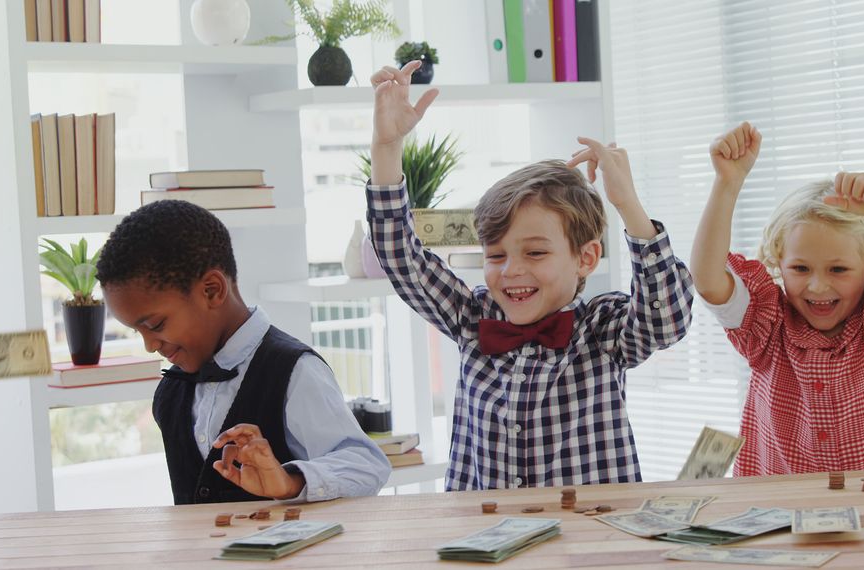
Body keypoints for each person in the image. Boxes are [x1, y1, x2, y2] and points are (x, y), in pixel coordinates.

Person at [365, 61, 694, 490]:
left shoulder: (603, 328)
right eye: (496, 254)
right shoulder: (472, 317)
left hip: (587, 545)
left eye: (535, 252)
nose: (511, 270)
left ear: (586, 258)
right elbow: (402, 259)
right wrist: (385, 148)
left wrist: (629, 206)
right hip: (485, 544)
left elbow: (667, 317)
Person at [691, 121, 864, 476]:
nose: (817, 287)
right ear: (779, 263)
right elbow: (708, 280)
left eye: (838, 270)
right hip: (783, 508)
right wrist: (726, 185)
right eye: (801, 268)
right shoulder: (767, 327)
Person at [95, 200, 390, 504]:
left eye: (155, 325)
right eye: (137, 331)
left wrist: (289, 481)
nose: (149, 345)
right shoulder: (170, 391)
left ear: (212, 290)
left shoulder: (293, 372)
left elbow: (366, 465)